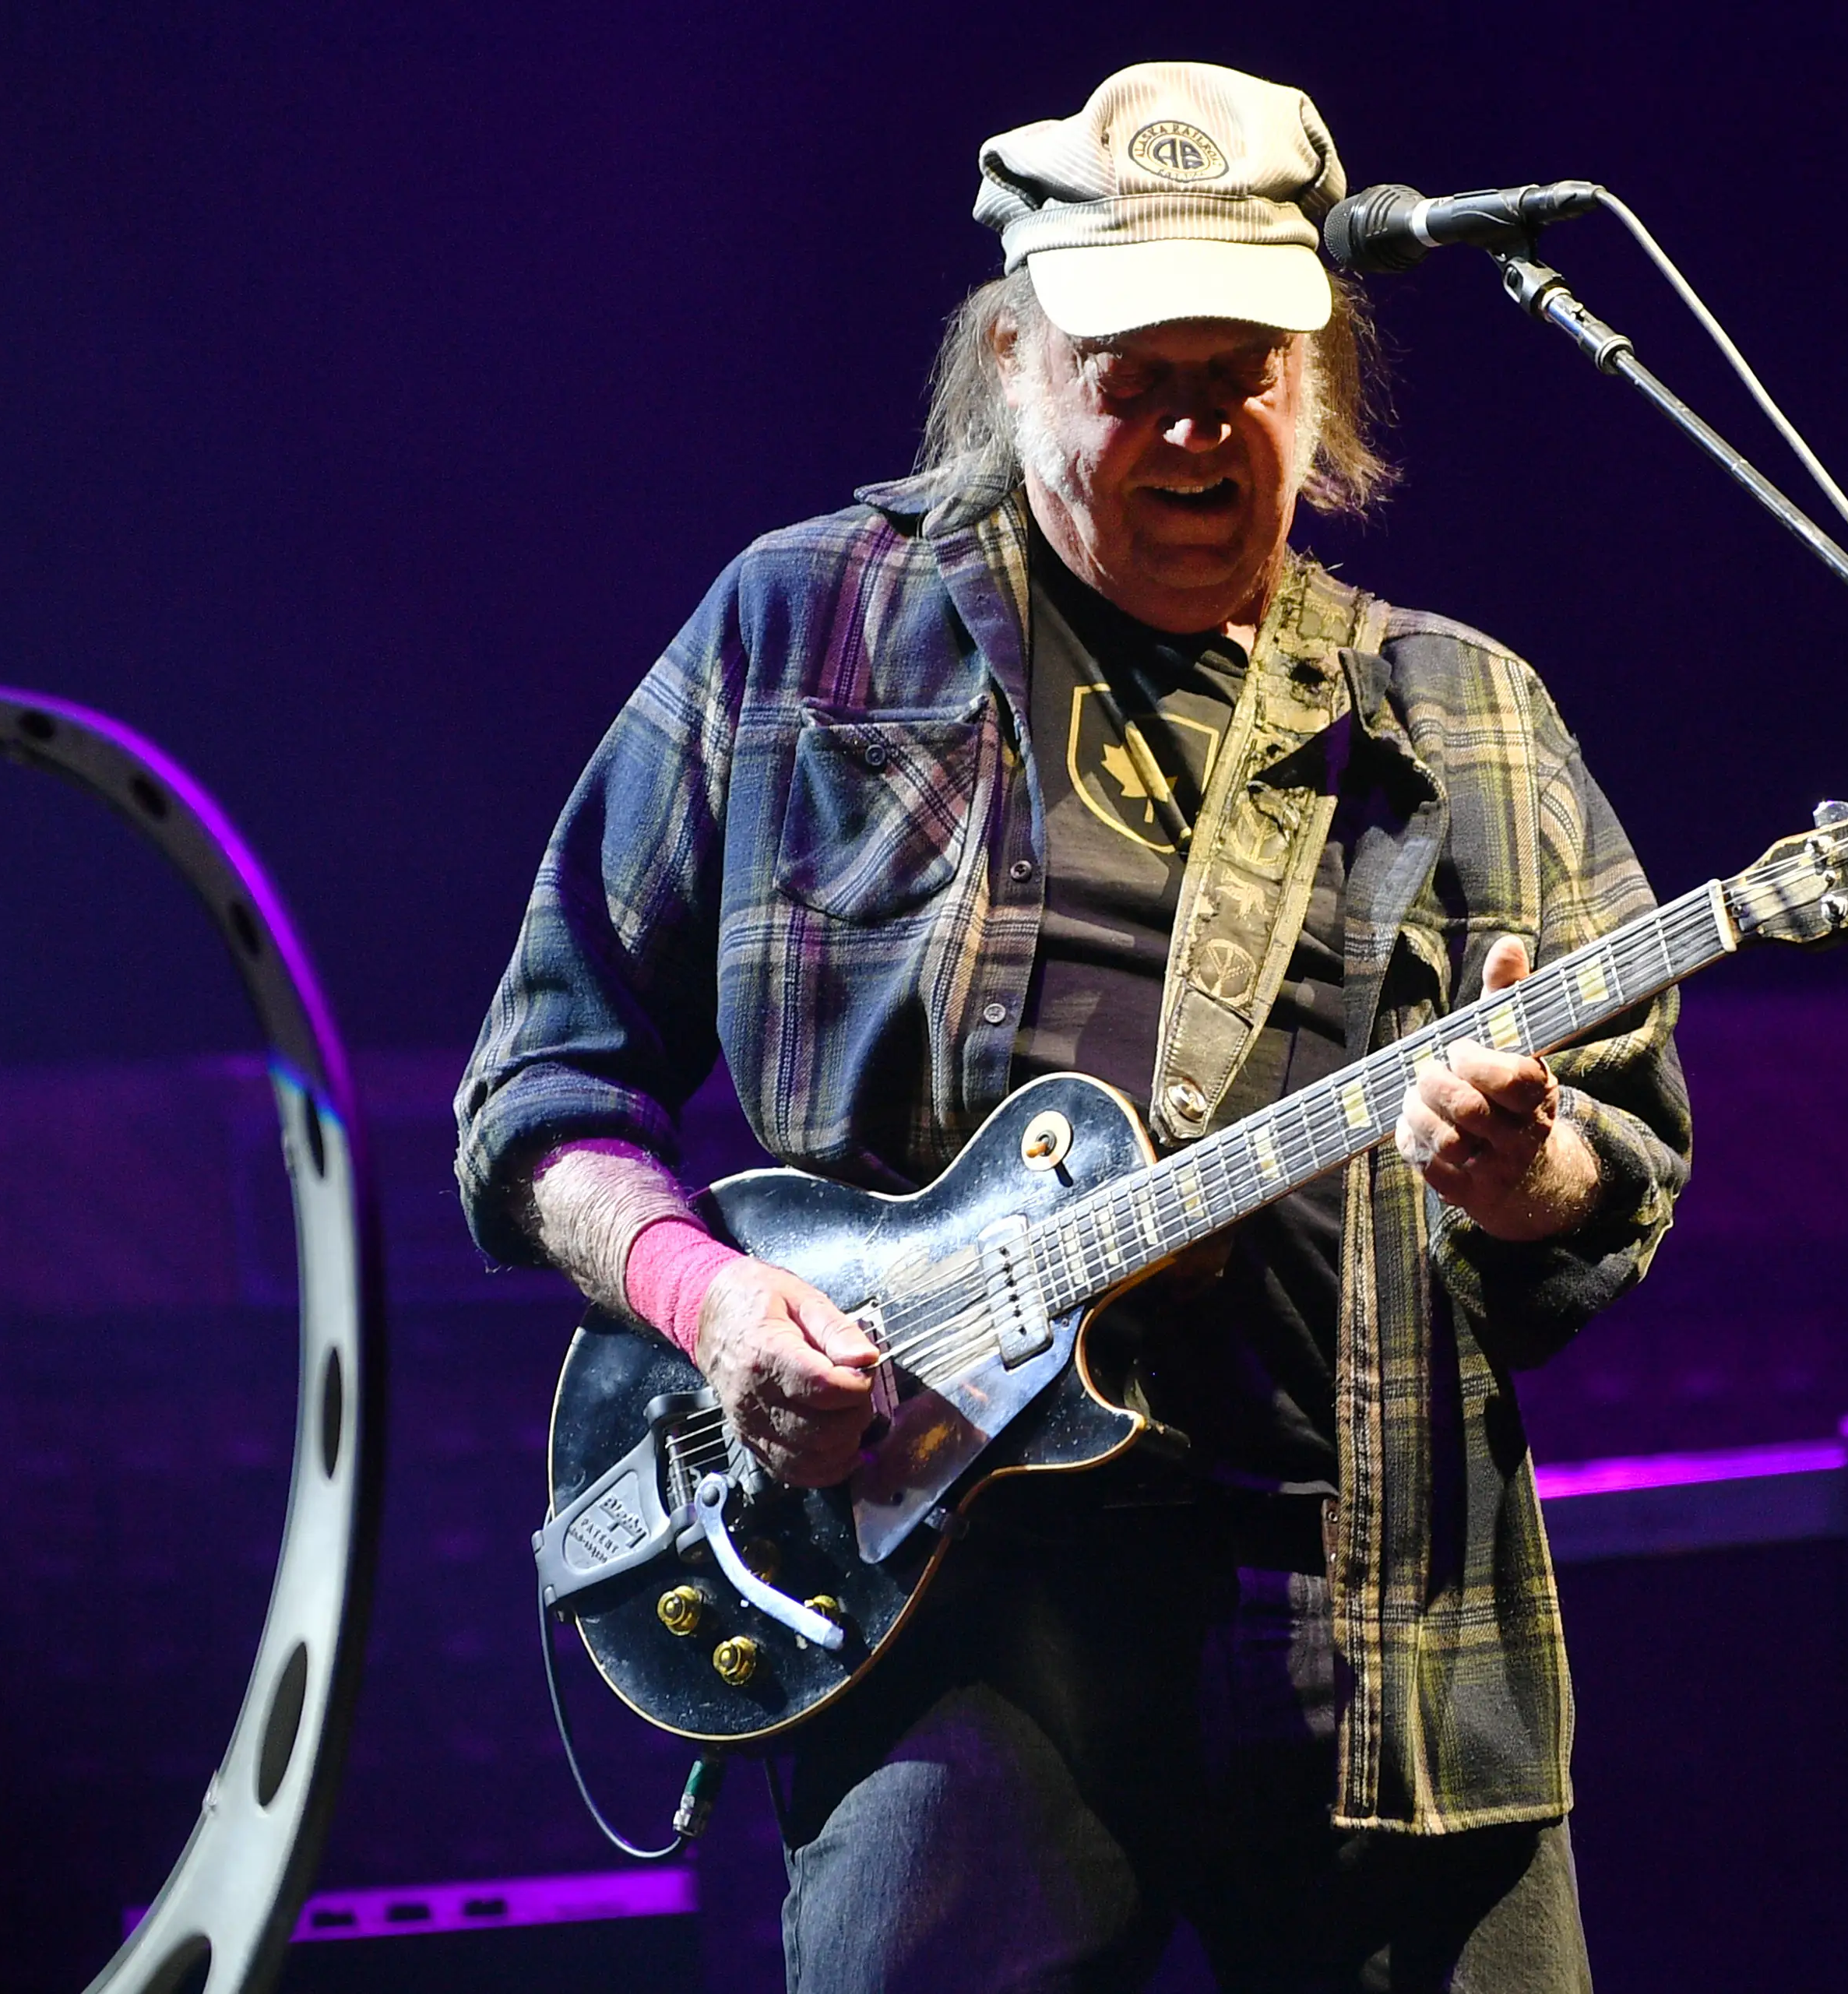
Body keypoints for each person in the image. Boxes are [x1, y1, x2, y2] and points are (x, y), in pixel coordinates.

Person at [456, 61, 1689, 1994]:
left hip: (1380, 1640)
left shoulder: (1468, 718)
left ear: (1324, 382)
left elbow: (1621, 1176)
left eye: (1249, 376)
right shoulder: (804, 636)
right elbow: (541, 1089)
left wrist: (1525, 1170)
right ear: (1015, 359)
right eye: (1138, 377)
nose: (1201, 431)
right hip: (941, 1630)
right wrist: (711, 1303)